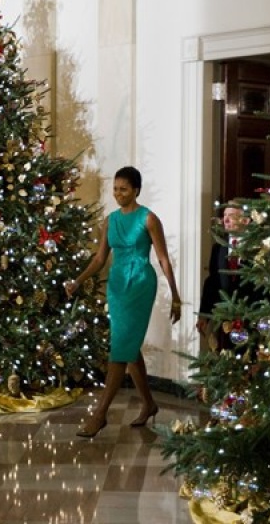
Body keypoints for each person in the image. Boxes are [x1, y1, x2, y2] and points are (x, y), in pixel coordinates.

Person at [64, 166, 182, 437]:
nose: (118, 194)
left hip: (140, 283)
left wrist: (175, 296)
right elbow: (99, 259)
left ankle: (100, 415)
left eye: (124, 189)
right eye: (115, 189)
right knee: (127, 345)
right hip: (117, 286)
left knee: (120, 348)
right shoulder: (110, 220)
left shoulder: (149, 218)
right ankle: (150, 404)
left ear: (136, 190)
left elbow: (163, 258)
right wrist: (78, 280)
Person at [197, 203, 259, 352]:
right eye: (224, 216)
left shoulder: (256, 248)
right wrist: (204, 315)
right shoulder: (218, 248)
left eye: (231, 216)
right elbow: (212, 282)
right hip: (227, 317)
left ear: (245, 221)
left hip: (252, 314)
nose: (226, 220)